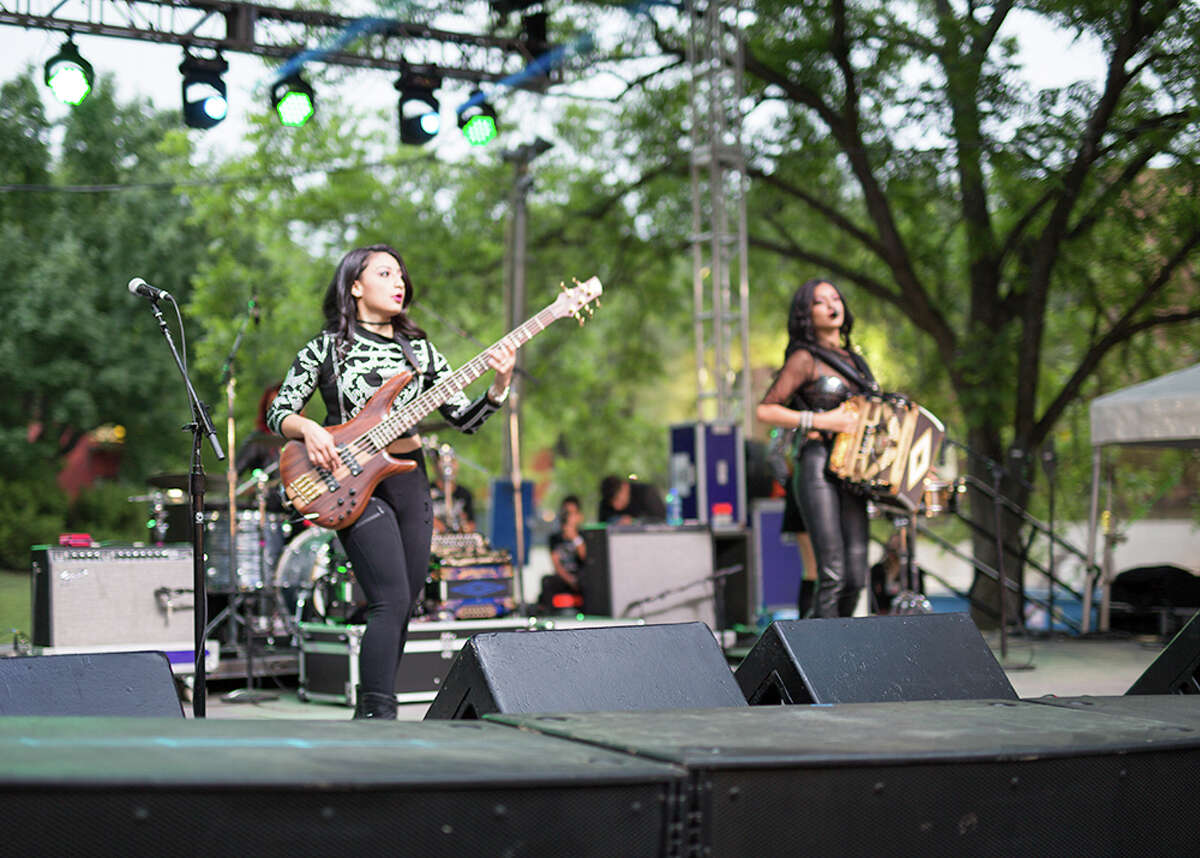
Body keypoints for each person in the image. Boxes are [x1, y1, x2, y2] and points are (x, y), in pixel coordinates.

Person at [267, 243, 514, 719]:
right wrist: (310, 428)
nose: (398, 282)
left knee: (407, 601)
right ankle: (378, 712)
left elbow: (464, 417)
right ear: (355, 286)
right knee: (390, 598)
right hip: (347, 482)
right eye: (385, 273)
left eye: (401, 274)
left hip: (408, 480)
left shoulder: (418, 351)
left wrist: (499, 386)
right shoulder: (326, 348)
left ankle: (374, 710)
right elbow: (280, 411)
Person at [755, 278, 878, 618]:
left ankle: (839, 650)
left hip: (853, 470)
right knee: (833, 574)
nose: (831, 305)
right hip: (816, 463)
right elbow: (766, 410)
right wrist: (822, 421)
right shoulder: (804, 358)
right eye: (820, 301)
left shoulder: (858, 364)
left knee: (855, 576)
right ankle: (817, 659)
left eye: (835, 298)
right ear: (806, 313)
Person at [538, 495, 586, 612]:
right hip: (564, 578)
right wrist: (569, 579)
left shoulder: (584, 536)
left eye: (572, 513)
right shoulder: (555, 538)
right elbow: (556, 563)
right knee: (547, 582)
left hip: (582, 577)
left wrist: (574, 537)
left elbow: (586, 558)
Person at [427, 447, 476, 533]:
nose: (449, 466)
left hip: (458, 541)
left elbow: (471, 524)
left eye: (452, 461)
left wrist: (465, 527)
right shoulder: (426, 492)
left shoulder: (464, 494)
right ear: (434, 467)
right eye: (442, 461)